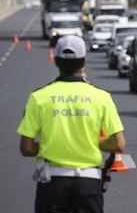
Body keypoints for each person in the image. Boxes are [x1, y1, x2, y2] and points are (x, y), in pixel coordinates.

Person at [17, 35, 126, 213]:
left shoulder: (38, 97)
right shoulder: (101, 97)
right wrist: (88, 142)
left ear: (56, 61)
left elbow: (26, 148)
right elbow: (119, 144)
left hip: (52, 183)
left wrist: (52, 145)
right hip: (88, 184)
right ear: (83, 61)